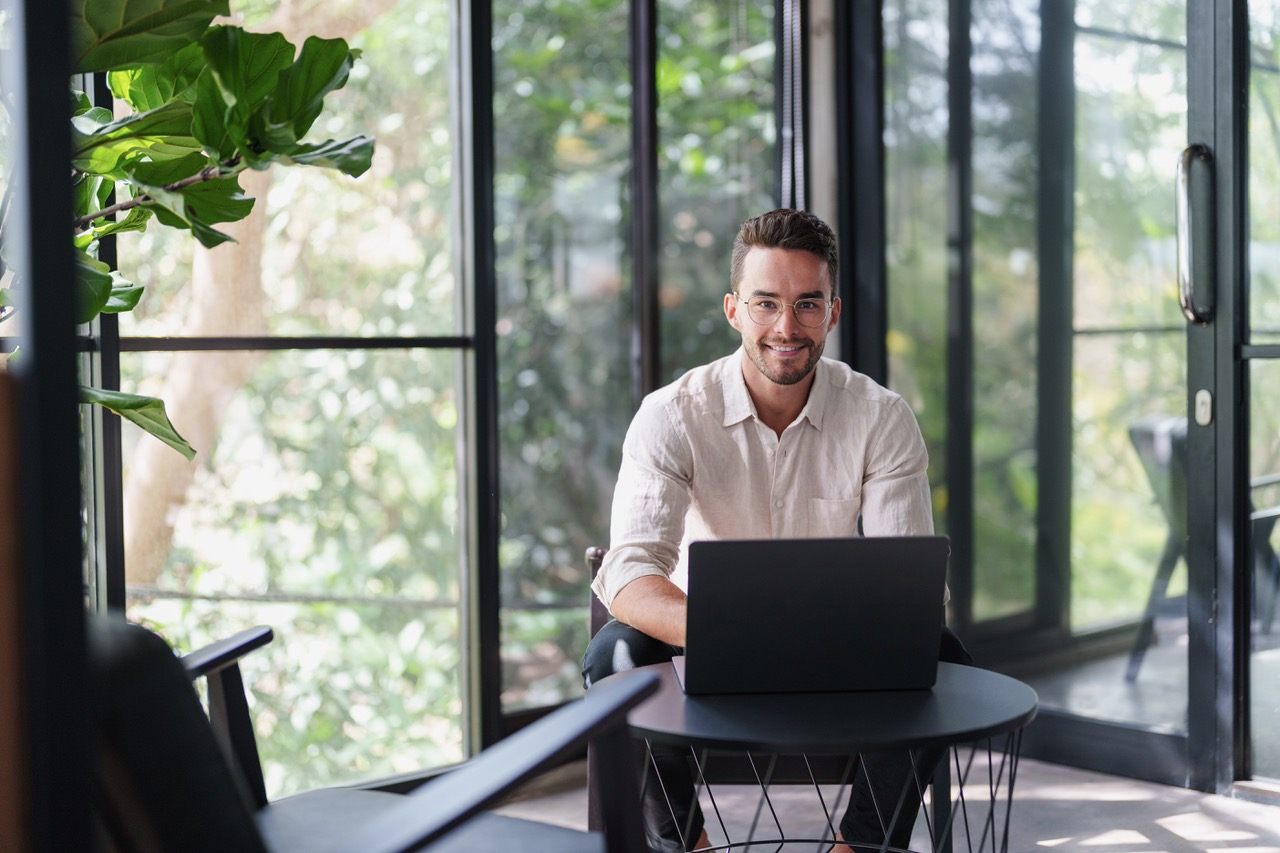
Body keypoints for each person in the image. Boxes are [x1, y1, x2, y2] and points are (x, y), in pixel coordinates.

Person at [581, 208, 970, 852]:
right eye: (766, 303)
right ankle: (688, 846)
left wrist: (827, 634)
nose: (786, 327)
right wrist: (728, 636)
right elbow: (627, 573)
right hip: (697, 646)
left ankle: (858, 849)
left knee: (945, 654)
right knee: (612, 658)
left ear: (833, 313)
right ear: (734, 309)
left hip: (838, 647)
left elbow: (913, 589)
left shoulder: (881, 417)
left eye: (807, 305)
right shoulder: (672, 415)